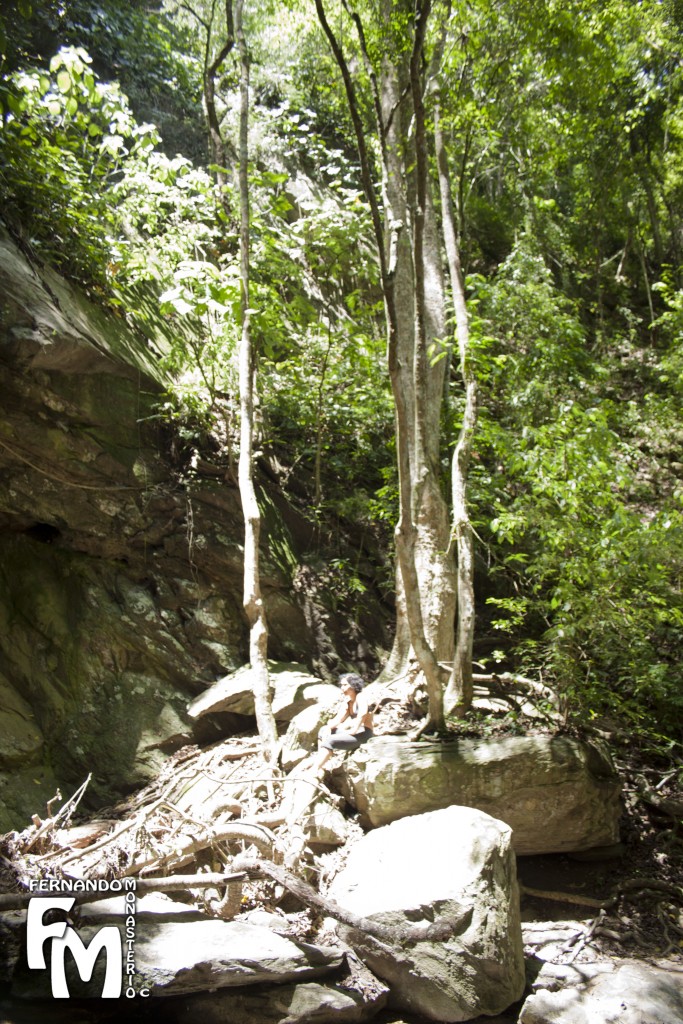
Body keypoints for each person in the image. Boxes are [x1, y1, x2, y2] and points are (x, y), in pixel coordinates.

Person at [313, 672, 374, 777]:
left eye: (345, 685)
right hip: (353, 733)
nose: (342, 688)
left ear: (353, 685)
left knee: (331, 740)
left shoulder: (361, 697)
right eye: (341, 685)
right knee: (323, 730)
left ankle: (315, 769)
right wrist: (328, 728)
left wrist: (354, 730)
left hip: (364, 734)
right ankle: (321, 761)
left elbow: (363, 713)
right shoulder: (348, 702)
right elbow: (338, 719)